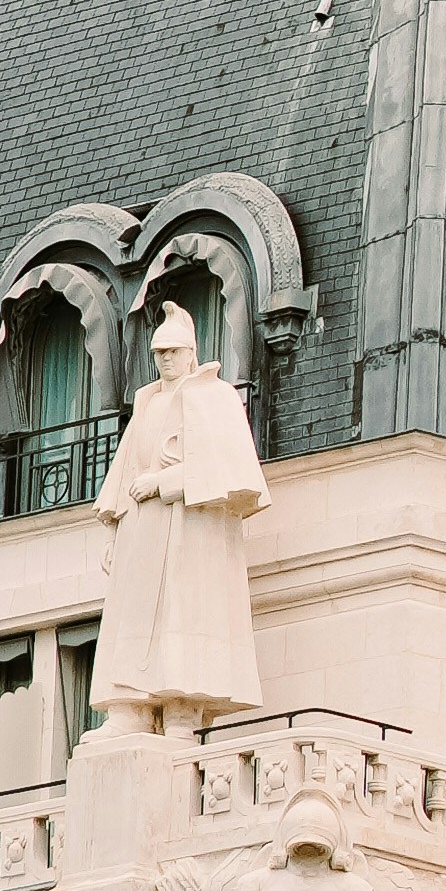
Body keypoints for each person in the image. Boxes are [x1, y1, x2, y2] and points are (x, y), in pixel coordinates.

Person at [88, 301, 271, 734]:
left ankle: (181, 711)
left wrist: (164, 482)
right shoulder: (147, 401)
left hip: (190, 526)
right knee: (133, 619)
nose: (166, 359)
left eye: (173, 351)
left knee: (184, 616)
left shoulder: (216, 397)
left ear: (191, 352)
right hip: (142, 529)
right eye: (159, 353)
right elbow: (125, 471)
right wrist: (112, 532)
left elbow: (229, 469)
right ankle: (130, 709)